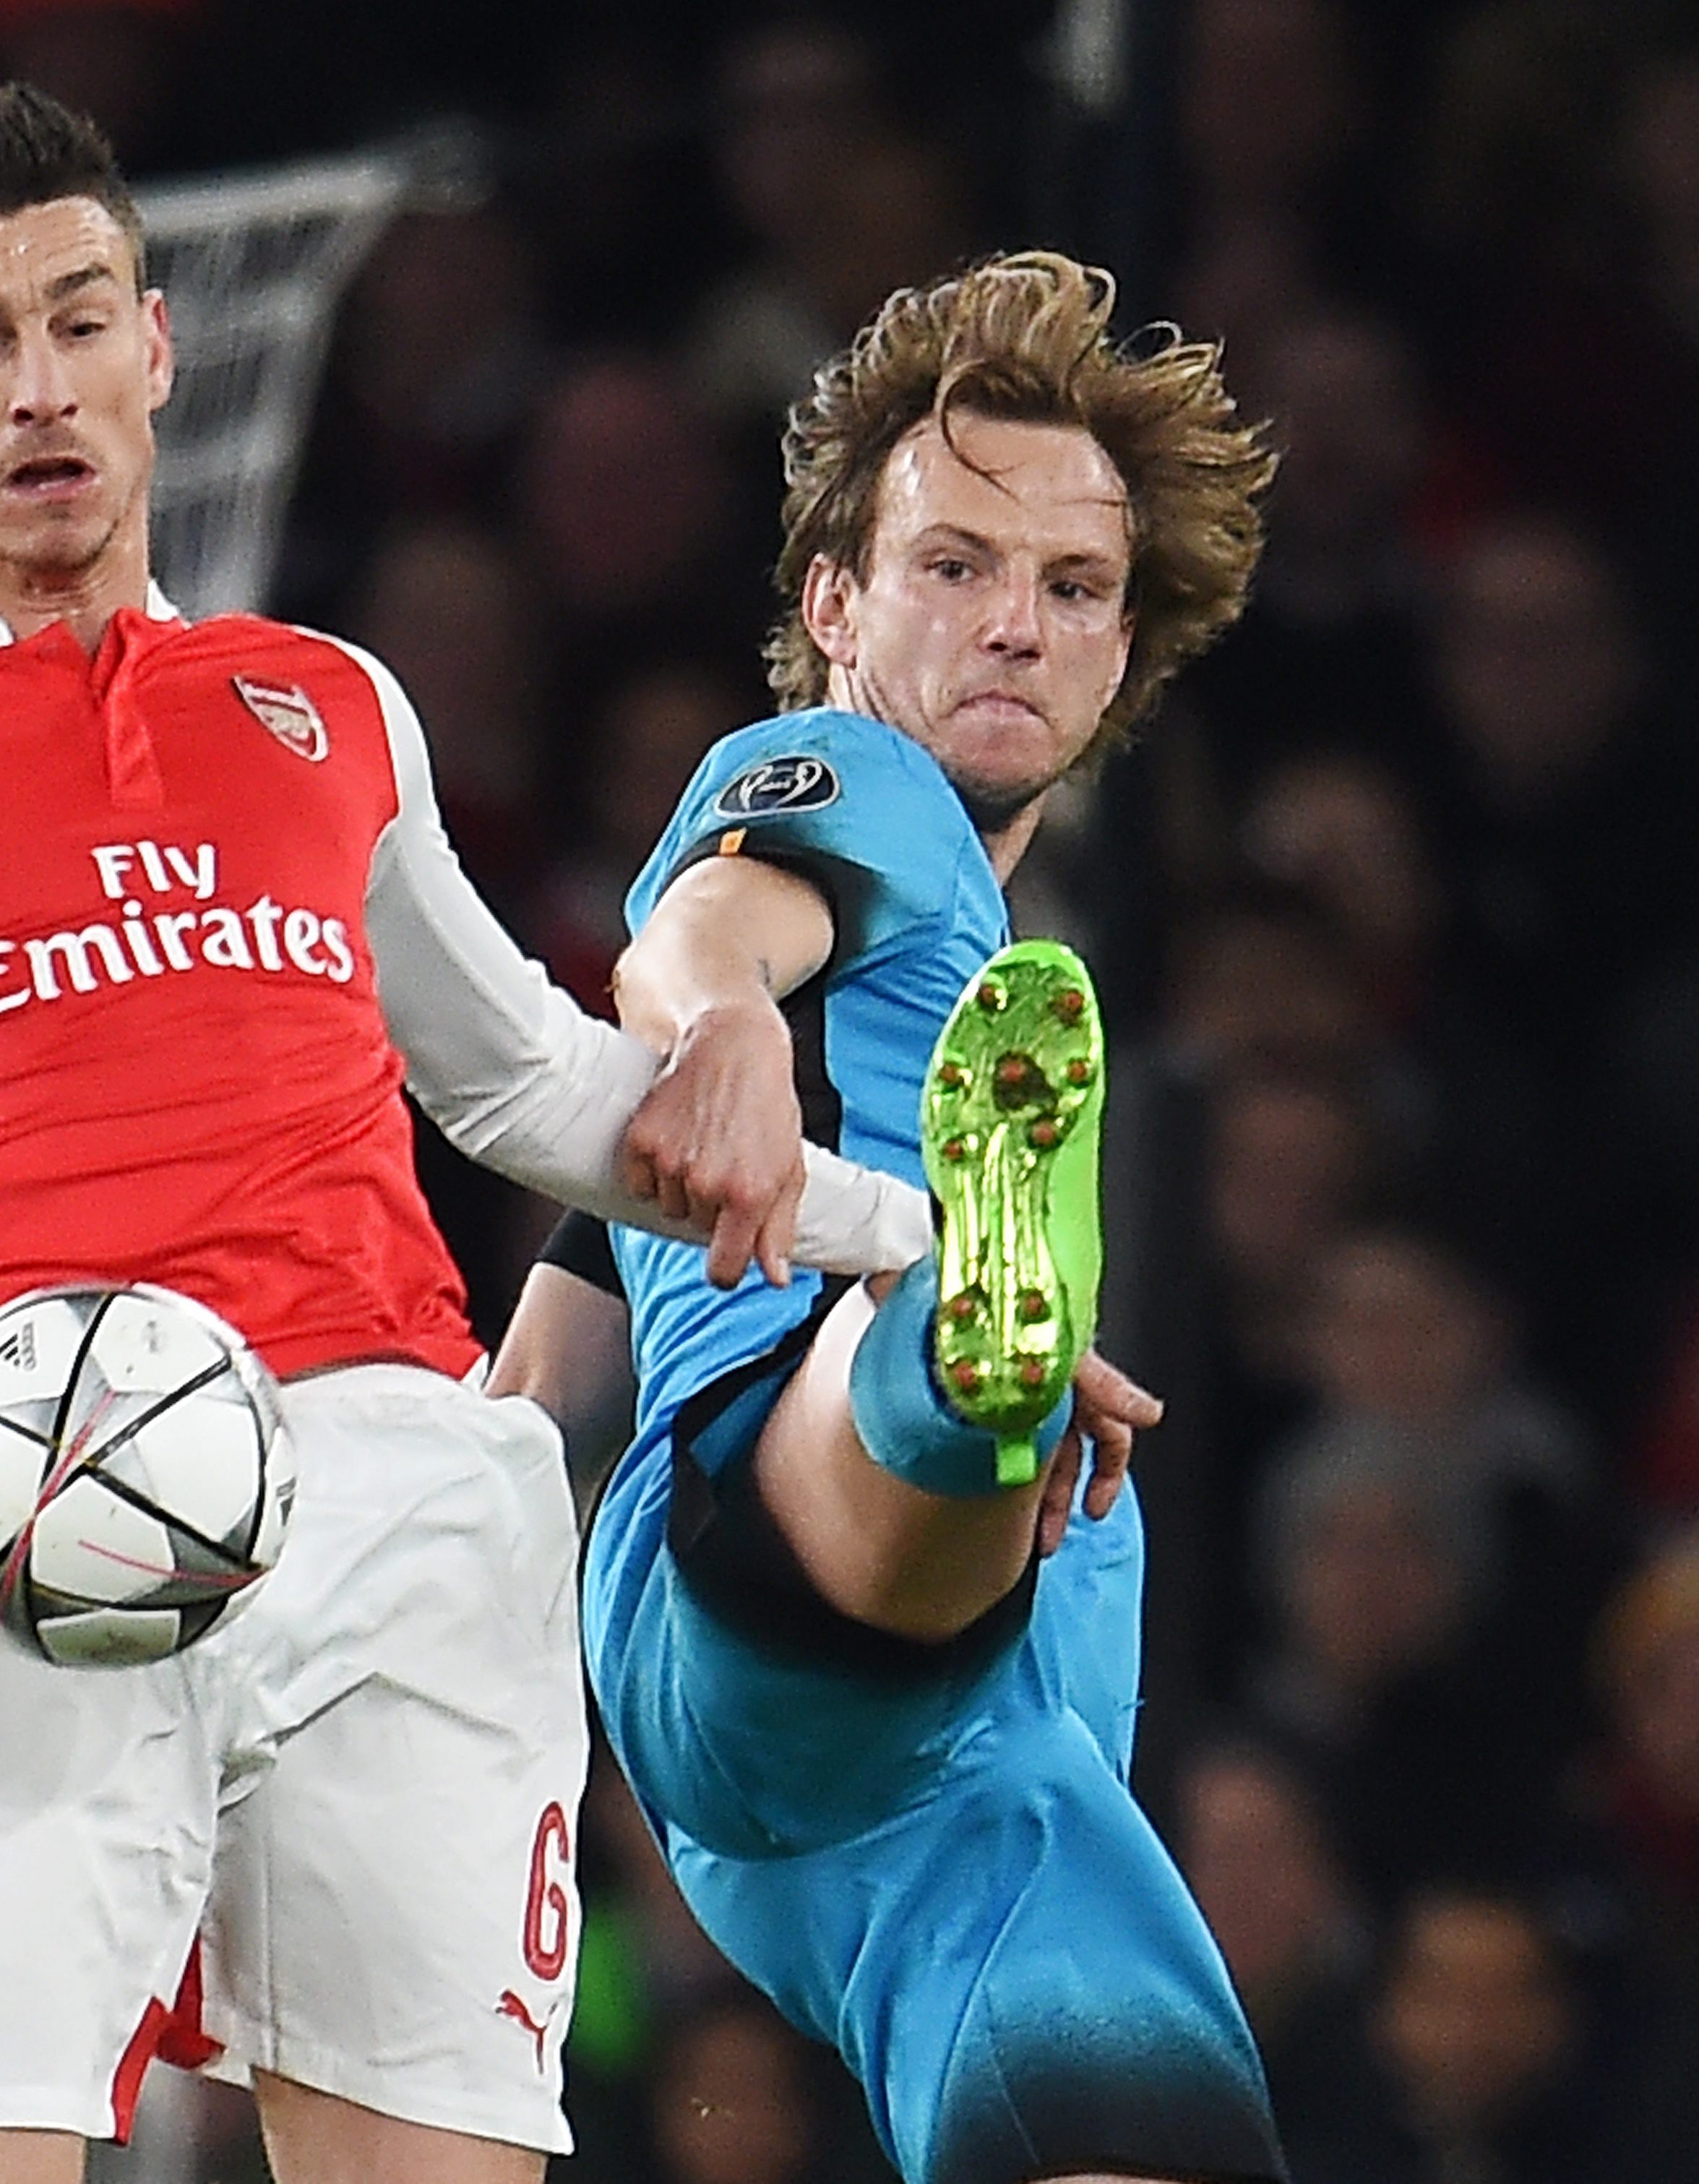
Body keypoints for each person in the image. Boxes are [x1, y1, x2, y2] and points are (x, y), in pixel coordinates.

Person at [0, 77, 931, 2184]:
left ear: (157, 346)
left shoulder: (322, 698)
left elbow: (525, 1082)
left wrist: (912, 1243)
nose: (36, 385)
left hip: (388, 1503)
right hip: (11, 1527)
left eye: (74, 317)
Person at [492, 252, 1287, 2182]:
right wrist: (723, 1022)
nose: (1015, 624)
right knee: (937, 1372)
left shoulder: (933, 966)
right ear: (835, 603)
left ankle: (976, 1356)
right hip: (801, 1568)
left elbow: (533, 1377)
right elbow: (697, 936)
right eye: (955, 566)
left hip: (934, 1807)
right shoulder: (852, 789)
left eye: (1073, 589)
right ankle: (965, 1352)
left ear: (1122, 657)